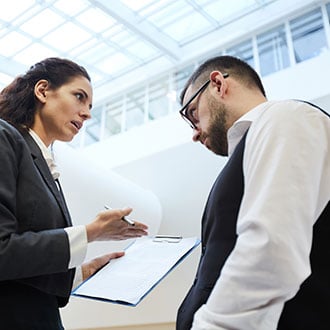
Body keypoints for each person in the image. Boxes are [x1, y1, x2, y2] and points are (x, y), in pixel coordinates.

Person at [176, 55, 330, 330]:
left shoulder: (287, 117)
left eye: (192, 114)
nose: (195, 134)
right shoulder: (253, 148)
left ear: (218, 84)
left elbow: (271, 249)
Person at [0, 57, 148, 330]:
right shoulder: (4, 137)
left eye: (90, 106)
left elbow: (23, 269)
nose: (87, 113)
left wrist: (83, 272)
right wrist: (91, 232)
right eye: (79, 97)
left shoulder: (43, 163)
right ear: (43, 91)